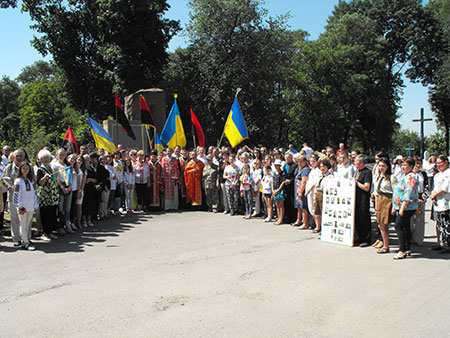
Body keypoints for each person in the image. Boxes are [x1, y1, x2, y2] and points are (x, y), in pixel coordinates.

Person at [392, 157, 419, 260]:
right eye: (402, 165)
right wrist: (395, 207)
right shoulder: (404, 176)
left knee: (398, 225)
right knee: (405, 226)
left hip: (407, 206)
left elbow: (408, 193)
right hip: (401, 205)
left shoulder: (411, 177)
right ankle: (407, 248)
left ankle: (402, 250)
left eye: (405, 165)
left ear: (411, 166)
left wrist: (402, 208)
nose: (403, 167)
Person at [2, 149, 26, 245]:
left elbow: (32, 179)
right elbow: (3, 179)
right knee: (15, 218)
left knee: (25, 218)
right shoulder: (8, 167)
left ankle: (25, 237)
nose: (19, 158)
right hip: (13, 196)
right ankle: (16, 239)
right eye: (17, 156)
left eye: (21, 156)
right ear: (13, 157)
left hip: (25, 197)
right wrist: (8, 186)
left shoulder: (27, 167)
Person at [13, 162, 39, 250]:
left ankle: (27, 239)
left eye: (27, 168)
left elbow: (33, 194)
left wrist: (35, 206)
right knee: (23, 225)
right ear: (20, 169)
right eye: (23, 168)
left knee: (28, 225)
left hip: (30, 206)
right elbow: (16, 194)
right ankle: (25, 242)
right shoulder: (18, 181)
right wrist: (19, 206)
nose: (25, 170)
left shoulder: (29, 180)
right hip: (23, 207)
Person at [36, 149, 60, 239]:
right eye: (44, 158)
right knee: (45, 214)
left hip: (52, 196)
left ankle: (50, 231)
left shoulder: (51, 169)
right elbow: (39, 183)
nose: (46, 160)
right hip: (45, 197)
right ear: (40, 160)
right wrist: (44, 178)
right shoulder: (40, 170)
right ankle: (44, 233)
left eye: (47, 158)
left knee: (52, 214)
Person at [430, 155, 450, 254]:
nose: (438, 165)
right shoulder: (438, 174)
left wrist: (434, 195)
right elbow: (435, 187)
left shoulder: (448, 173)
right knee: (439, 224)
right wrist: (433, 196)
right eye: (437, 163)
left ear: (446, 162)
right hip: (437, 202)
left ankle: (447, 245)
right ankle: (440, 242)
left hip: (445, 201)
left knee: (446, 224)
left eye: (440, 163)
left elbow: (445, 188)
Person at [373, 158, 393, 254]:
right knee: (380, 224)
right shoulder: (379, 176)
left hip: (387, 200)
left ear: (387, 167)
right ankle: (385, 243)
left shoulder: (391, 177)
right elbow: (376, 190)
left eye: (383, 166)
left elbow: (395, 192)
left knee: (384, 224)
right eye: (380, 166)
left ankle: (386, 246)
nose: (381, 168)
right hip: (379, 199)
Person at [51, 148, 74, 234]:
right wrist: (62, 187)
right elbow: (57, 177)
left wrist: (70, 187)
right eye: (60, 154)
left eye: (63, 154)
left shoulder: (68, 165)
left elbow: (71, 176)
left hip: (68, 186)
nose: (61, 156)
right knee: (60, 209)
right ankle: (60, 226)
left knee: (67, 208)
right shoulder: (55, 165)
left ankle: (67, 224)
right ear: (56, 155)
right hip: (60, 187)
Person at [353, 154, 373, 247]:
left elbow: (366, 187)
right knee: (357, 218)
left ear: (361, 162)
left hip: (363, 199)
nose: (354, 162)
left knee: (364, 218)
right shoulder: (357, 172)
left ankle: (366, 239)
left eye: (356, 161)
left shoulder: (367, 172)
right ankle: (359, 237)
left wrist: (356, 182)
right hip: (356, 198)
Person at [410, 156, 428, 246]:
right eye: (416, 163)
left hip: (420, 198)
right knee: (410, 220)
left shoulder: (423, 174)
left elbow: (427, 187)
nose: (418, 166)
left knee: (419, 220)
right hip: (410, 199)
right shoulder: (409, 174)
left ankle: (418, 239)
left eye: (419, 164)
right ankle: (409, 238)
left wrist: (423, 198)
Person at [312, 158, 333, 233]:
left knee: (324, 212)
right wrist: (314, 198)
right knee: (317, 212)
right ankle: (318, 227)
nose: (322, 168)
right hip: (318, 193)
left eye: (323, 166)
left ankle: (324, 228)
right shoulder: (319, 176)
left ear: (327, 167)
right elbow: (316, 187)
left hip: (325, 194)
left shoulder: (330, 177)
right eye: (321, 166)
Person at [293, 154, 310, 228]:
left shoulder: (306, 169)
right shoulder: (299, 168)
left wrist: (301, 192)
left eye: (301, 162)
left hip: (301, 189)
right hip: (297, 189)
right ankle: (299, 219)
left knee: (303, 207)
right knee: (299, 206)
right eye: (298, 162)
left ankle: (305, 223)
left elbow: (304, 181)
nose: (299, 163)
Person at [283, 152, 298, 224]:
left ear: (291, 158)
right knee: (286, 202)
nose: (286, 159)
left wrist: (290, 181)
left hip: (291, 186)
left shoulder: (294, 165)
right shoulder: (284, 165)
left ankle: (293, 218)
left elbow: (295, 176)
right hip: (285, 186)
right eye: (285, 158)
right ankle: (287, 218)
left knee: (292, 203)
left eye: (288, 158)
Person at [272, 159, 286, 226]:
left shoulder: (282, 173)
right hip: (274, 189)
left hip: (280, 190)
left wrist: (278, 190)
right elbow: (272, 181)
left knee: (281, 205)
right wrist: (273, 190)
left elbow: (283, 182)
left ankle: (281, 219)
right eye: (275, 165)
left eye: (277, 165)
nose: (276, 166)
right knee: (277, 205)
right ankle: (278, 217)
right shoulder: (274, 173)